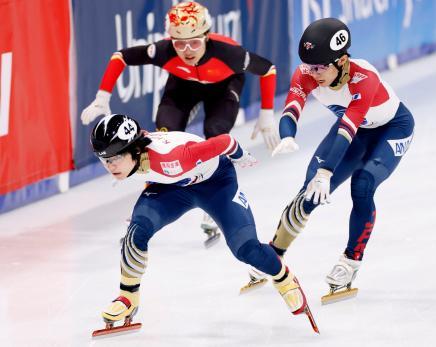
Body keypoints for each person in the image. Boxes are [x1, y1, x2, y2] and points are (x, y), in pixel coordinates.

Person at [90, 114, 319, 335]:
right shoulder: (132, 156)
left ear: (136, 149)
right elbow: (151, 172)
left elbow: (224, 141)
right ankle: (128, 298)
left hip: (215, 184)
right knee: (136, 232)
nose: (110, 166)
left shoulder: (174, 157)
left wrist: (240, 155)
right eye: (104, 159)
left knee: (246, 249)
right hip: (172, 188)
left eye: (115, 158)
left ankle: (284, 279)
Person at [81, 1, 279, 244]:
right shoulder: (164, 51)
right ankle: (149, 197)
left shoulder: (229, 54)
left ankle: (215, 199)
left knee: (215, 134)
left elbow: (268, 69)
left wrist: (267, 112)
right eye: (179, 43)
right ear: (170, 41)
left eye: (195, 42)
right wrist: (103, 96)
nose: (187, 50)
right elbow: (121, 56)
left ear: (207, 37)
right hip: (183, 85)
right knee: (162, 134)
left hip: (224, 86)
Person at [245, 18, 415, 302]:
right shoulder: (307, 72)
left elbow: (349, 127)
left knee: (362, 185)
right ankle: (274, 253)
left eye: (321, 67)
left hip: (390, 129)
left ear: (342, 60)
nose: (313, 74)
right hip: (354, 132)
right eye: (309, 67)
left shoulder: (365, 78)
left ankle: (350, 262)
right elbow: (291, 108)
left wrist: (326, 171)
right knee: (307, 194)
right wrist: (287, 135)